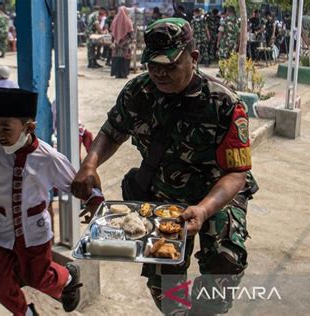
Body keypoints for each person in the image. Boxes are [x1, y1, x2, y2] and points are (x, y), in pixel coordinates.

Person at [71, 18, 258, 315]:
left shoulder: (224, 102)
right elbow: (111, 132)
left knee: (225, 263)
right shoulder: (138, 92)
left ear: (193, 59)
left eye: (170, 66)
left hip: (217, 190)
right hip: (164, 193)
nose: (159, 73)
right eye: (152, 65)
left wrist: (205, 209)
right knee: (165, 282)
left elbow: (236, 172)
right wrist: (89, 164)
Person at [0, 88, 102, 315]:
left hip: (34, 231)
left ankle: (68, 276)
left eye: (6, 128)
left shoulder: (48, 157)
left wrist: (93, 200)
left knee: (39, 279)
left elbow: (75, 183)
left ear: (28, 127)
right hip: (1, 227)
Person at [110, 6, 134, 79]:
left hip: (117, 45)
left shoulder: (115, 21)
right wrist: (131, 42)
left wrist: (114, 42)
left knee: (117, 59)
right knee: (124, 59)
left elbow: (112, 33)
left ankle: (117, 74)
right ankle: (124, 73)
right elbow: (131, 34)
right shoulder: (128, 21)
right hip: (125, 45)